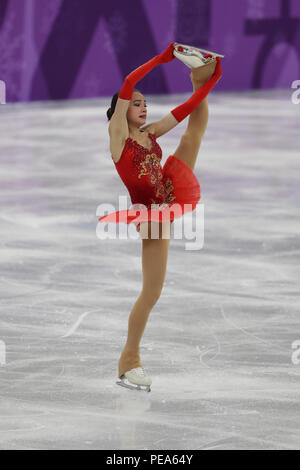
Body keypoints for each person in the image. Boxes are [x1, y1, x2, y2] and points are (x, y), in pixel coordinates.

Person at [100, 42, 222, 391]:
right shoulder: (118, 136)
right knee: (152, 291)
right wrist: (160, 58)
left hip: (168, 194)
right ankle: (129, 360)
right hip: (148, 212)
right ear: (121, 111)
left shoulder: (149, 133)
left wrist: (210, 81)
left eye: (144, 103)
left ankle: (197, 73)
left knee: (193, 134)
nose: (142, 106)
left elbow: (185, 111)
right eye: (135, 103)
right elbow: (127, 82)